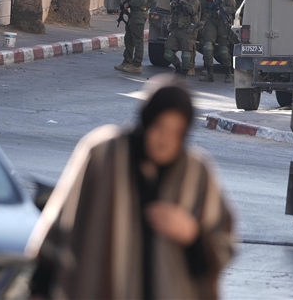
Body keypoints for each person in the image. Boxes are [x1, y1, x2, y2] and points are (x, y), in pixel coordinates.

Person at [27, 77, 235, 299]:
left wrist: (192, 235)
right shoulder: (103, 155)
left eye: (176, 132)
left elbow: (223, 243)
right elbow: (62, 227)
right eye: (160, 127)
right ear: (146, 120)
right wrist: (39, 289)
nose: (165, 140)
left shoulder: (196, 173)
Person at [115, 0, 153, 74]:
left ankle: (137, 64)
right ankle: (127, 61)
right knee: (129, 39)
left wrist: (129, 4)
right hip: (134, 14)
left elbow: (142, 0)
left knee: (137, 40)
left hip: (139, 15)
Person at [200, 0, 236, 83]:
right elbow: (201, 5)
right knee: (207, 47)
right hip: (211, 20)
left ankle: (228, 72)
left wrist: (223, 9)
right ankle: (209, 73)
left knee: (224, 51)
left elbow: (232, 7)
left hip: (222, 22)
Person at [165, 0, 201, 76]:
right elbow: (172, 10)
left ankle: (184, 72)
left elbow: (192, 11)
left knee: (186, 56)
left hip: (187, 30)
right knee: (168, 53)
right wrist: (175, 2)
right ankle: (177, 66)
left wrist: (183, 1)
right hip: (175, 29)